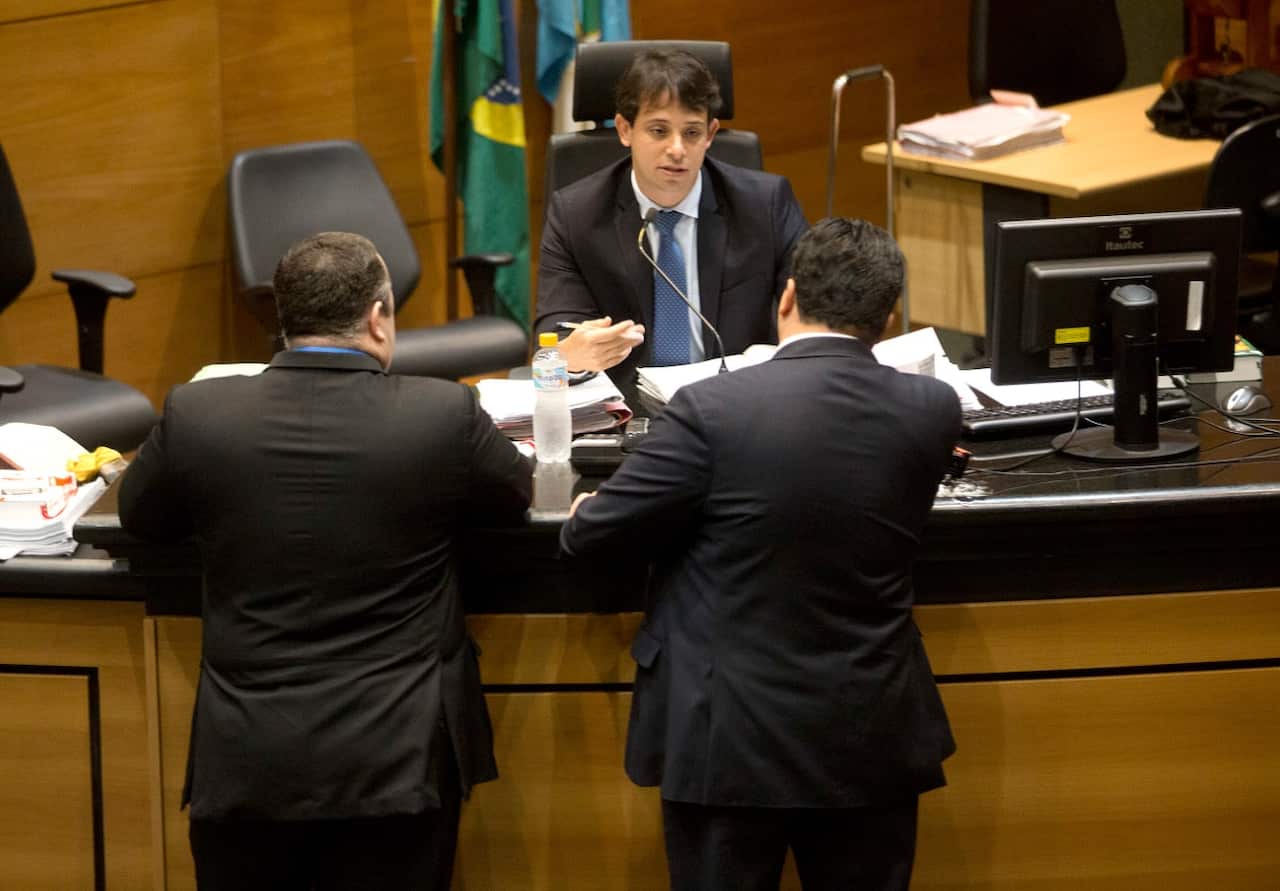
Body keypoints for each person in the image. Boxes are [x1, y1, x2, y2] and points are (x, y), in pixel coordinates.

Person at [118, 232, 532, 890]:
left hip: (248, 768)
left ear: (284, 321)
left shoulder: (198, 414)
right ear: (377, 317)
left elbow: (138, 518)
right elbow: (516, 496)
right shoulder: (442, 414)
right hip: (398, 773)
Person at [561, 218, 961, 891]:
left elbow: (592, 537)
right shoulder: (931, 408)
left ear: (787, 297)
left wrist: (582, 511)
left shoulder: (712, 407)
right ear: (887, 317)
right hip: (870, 732)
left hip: (728, 739)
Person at [535, 47, 808, 383]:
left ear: (710, 134)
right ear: (624, 130)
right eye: (659, 131)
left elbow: (810, 313)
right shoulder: (576, 215)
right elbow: (556, 336)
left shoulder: (765, 204)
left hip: (736, 403)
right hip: (628, 413)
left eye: (692, 132)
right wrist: (574, 354)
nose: (677, 149)